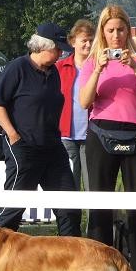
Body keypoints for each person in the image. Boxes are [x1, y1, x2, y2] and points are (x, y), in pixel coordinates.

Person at [79, 5, 136, 271]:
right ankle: (96, 266)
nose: (116, 36)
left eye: (121, 29)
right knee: (100, 202)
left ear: (129, 31)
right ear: (103, 31)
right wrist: (98, 70)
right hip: (100, 134)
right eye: (110, 30)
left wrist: (135, 66)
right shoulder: (93, 61)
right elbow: (84, 101)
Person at [0, 23, 81, 236]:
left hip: (53, 147)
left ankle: (69, 257)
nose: (60, 54)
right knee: (14, 205)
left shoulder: (54, 73)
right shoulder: (17, 68)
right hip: (24, 146)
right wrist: (13, 135)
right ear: (42, 46)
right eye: (57, 49)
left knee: (69, 206)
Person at [55, 19, 95, 192]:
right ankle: (72, 219)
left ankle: (94, 219)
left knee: (92, 184)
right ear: (73, 42)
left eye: (91, 40)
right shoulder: (59, 67)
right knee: (69, 184)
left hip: (92, 134)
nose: (88, 44)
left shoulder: (99, 67)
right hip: (66, 134)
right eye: (84, 40)